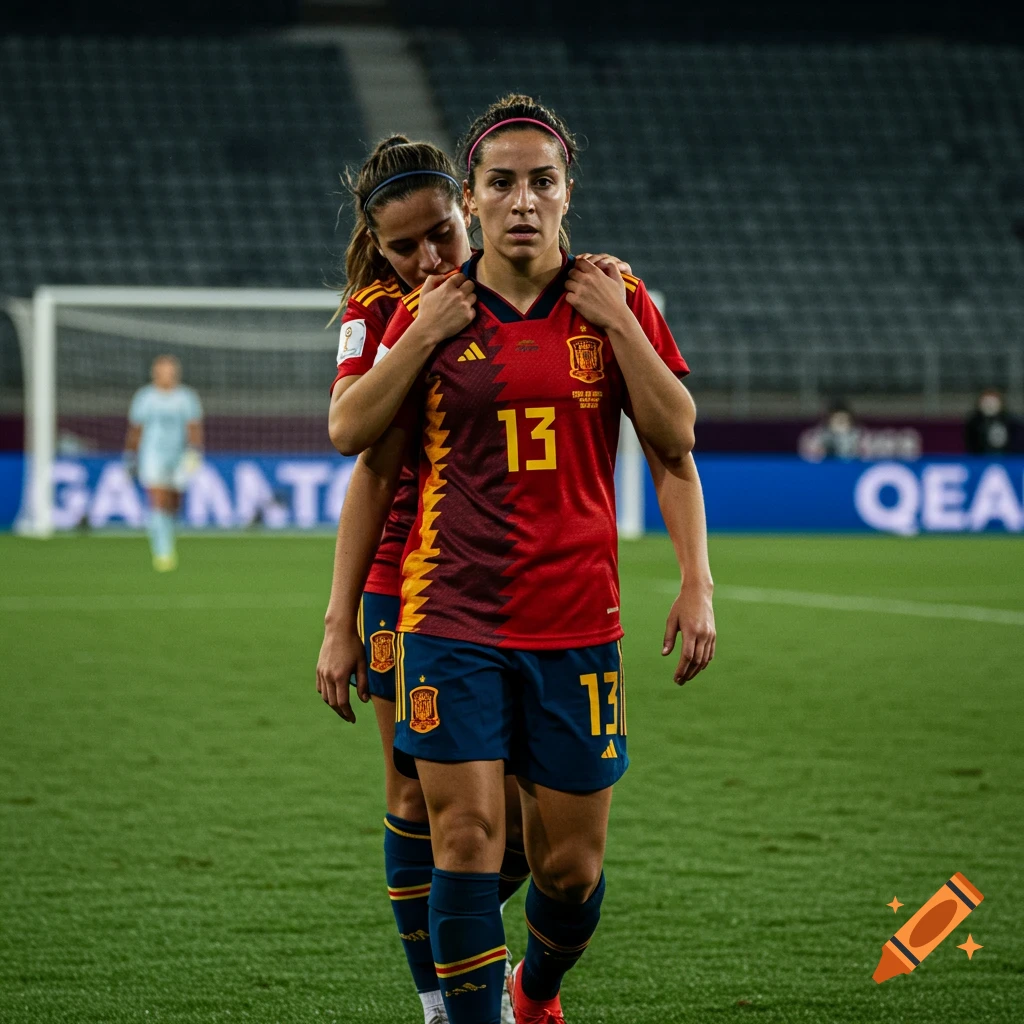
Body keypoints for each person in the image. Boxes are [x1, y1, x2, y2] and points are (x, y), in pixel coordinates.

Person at [319, 95, 716, 1024]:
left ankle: (534, 989)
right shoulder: (422, 314)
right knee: (456, 830)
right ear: (476, 195)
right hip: (446, 612)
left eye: (542, 181)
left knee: (568, 870)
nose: (523, 200)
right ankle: (455, 1009)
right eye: (503, 183)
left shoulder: (613, 296)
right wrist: (340, 619)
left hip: (576, 620)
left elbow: (676, 443)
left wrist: (697, 582)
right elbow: (368, 464)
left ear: (568, 190)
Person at [123, 355, 202, 571]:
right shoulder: (145, 397)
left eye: (171, 371)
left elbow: (194, 427)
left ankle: (168, 534)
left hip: (178, 455)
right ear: (155, 373)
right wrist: (130, 455)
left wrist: (194, 453)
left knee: (173, 503)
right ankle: (163, 552)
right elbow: (136, 429)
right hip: (152, 454)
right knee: (157, 500)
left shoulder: (186, 398)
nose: (168, 375)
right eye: (163, 371)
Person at [965, 388, 1017, 454]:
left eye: (993, 402)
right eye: (986, 402)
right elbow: (971, 445)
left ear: (1000, 404)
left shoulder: (1011, 422)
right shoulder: (973, 422)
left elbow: (1016, 444)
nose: (989, 405)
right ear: (980, 404)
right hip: (980, 459)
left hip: (1007, 459)